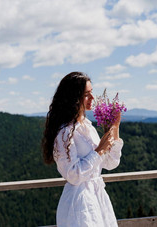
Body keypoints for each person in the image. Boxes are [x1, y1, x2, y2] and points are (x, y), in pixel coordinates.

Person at [42, 71, 123, 226]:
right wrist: (99, 150)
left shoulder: (87, 126)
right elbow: (73, 175)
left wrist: (115, 126)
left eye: (91, 93)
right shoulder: (64, 132)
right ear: (73, 97)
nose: (92, 98)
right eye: (86, 94)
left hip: (97, 197)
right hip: (79, 204)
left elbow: (110, 163)